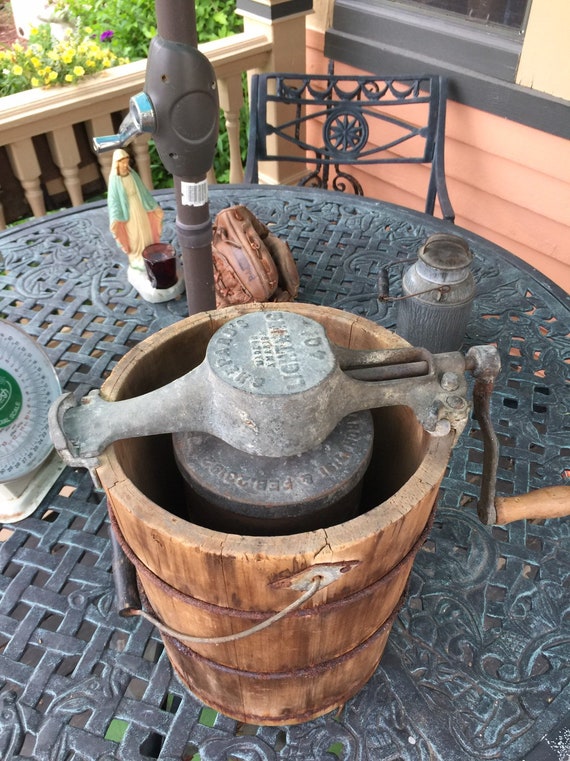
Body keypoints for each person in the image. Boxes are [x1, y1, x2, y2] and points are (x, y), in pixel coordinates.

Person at [107, 149, 164, 271]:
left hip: (140, 206)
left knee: (145, 230)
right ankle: (138, 256)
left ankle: (150, 252)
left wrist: (154, 206)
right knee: (134, 235)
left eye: (126, 162)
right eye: (122, 162)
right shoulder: (114, 181)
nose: (125, 165)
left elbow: (144, 193)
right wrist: (115, 218)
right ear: (116, 164)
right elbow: (114, 202)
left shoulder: (133, 175)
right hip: (128, 213)